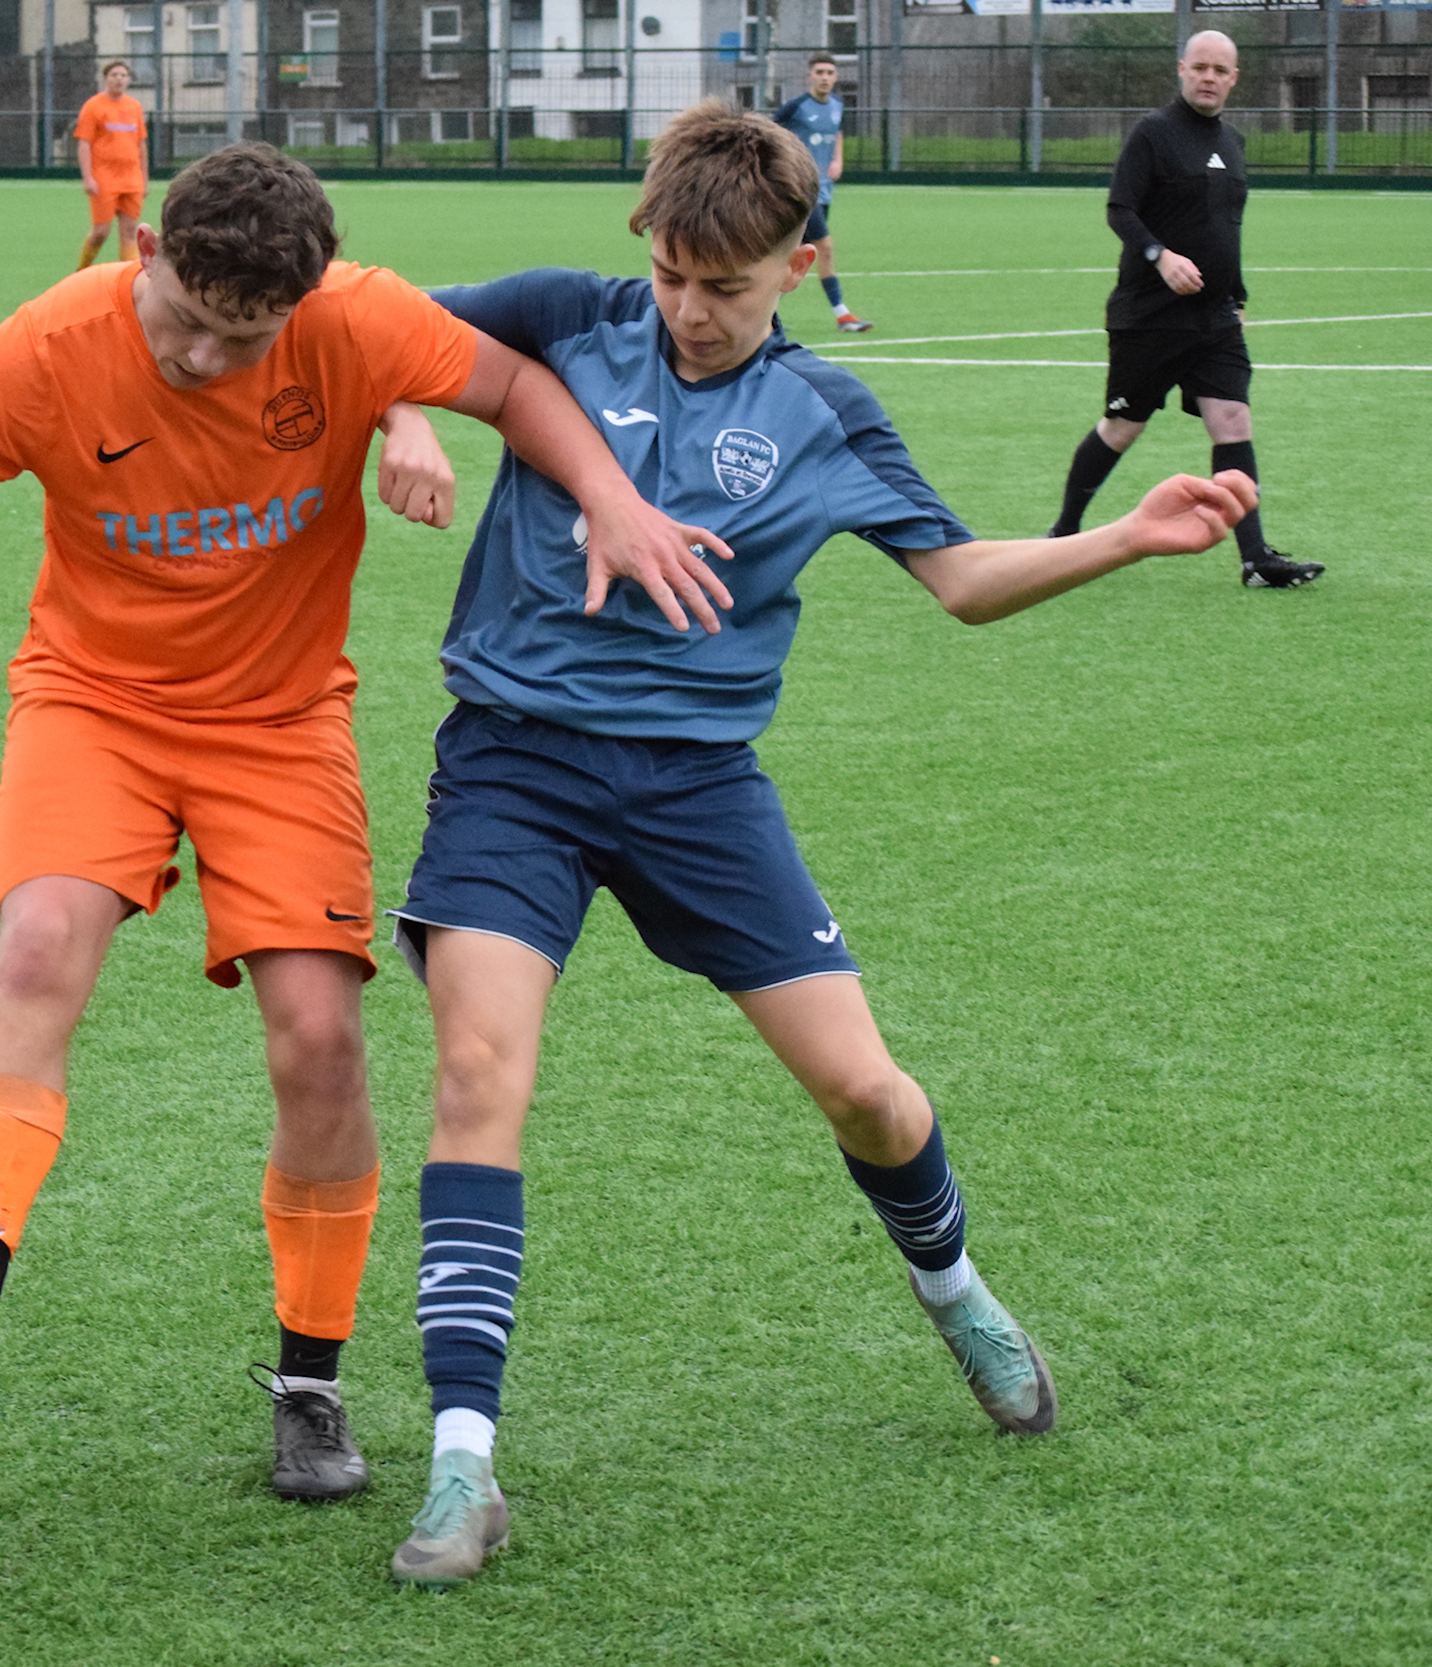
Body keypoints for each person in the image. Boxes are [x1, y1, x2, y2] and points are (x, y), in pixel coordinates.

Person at [0, 142, 730, 1504]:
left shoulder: (352, 316)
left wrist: (607, 498)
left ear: (303, 304)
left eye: (242, 334)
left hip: (280, 723)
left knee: (319, 1036)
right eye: (184, 320)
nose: (206, 357)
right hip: (92, 703)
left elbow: (509, 383)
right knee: (40, 944)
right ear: (142, 250)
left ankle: (310, 1386)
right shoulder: (39, 354)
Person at [376, 102, 1257, 1586]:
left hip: (701, 788)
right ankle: (464, 1464)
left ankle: (954, 1282)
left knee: (867, 1091)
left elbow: (962, 579)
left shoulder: (826, 410)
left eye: (727, 285)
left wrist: (1119, 538)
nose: (690, 310)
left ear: (797, 263)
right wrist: (406, 410)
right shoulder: (563, 320)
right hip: (513, 766)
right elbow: (369, 328)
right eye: (671, 275)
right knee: (478, 1073)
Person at [1050, 29, 1319, 589]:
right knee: (1123, 426)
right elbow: (1120, 209)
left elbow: (1227, 230)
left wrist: (1237, 296)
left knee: (1232, 420)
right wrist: (1160, 255)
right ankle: (1063, 535)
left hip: (1215, 318)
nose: (1209, 78)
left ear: (1234, 79)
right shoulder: (1153, 133)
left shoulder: (1234, 142)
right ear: (1181, 69)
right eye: (1200, 67)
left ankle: (1255, 560)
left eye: (1220, 70)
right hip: (1150, 316)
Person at [772, 54, 870, 335]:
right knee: (824, 247)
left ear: (836, 77)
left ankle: (761, 315)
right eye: (820, 72)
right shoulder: (796, 107)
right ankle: (843, 315)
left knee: (789, 256)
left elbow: (836, 133)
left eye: (830, 72)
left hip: (824, 189)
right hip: (801, 190)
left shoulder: (838, 106)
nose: (825, 77)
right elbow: (769, 133)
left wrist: (838, 160)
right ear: (810, 77)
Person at [73, 61, 148, 270]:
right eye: (114, 74)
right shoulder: (93, 106)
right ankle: (80, 272)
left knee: (129, 232)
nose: (119, 79)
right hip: (104, 176)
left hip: (131, 177)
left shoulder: (134, 107)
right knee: (101, 232)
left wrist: (144, 179)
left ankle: (129, 280)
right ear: (105, 78)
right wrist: (88, 177)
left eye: (123, 75)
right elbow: (84, 144)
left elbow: (141, 145)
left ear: (128, 80)